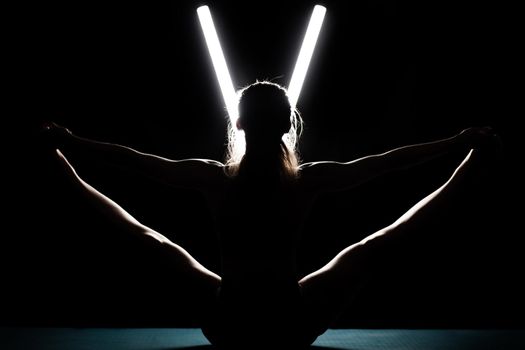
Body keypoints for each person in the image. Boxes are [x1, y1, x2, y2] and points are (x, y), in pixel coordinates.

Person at [43, 81, 498, 348]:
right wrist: (459, 144)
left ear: (238, 123)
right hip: (291, 322)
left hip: (228, 321)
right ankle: (472, 171)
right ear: (287, 123)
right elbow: (390, 162)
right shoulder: (304, 179)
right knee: (378, 244)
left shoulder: (216, 178)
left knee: (148, 239)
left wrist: (71, 145)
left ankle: (57, 172)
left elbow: (132, 161)